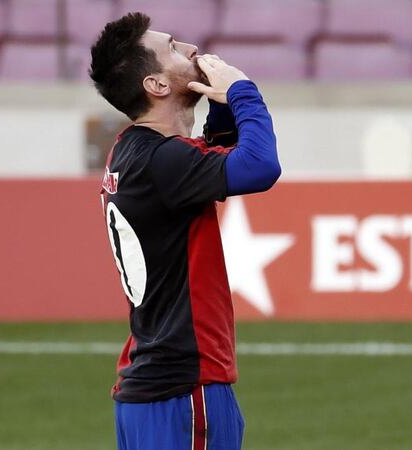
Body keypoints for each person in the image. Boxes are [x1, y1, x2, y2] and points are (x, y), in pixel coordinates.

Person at [89, 12, 280, 450]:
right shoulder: (163, 161)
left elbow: (206, 164)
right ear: (155, 85)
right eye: (173, 47)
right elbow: (260, 166)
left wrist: (222, 109)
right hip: (183, 387)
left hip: (148, 390)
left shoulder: (132, 149)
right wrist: (243, 93)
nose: (192, 49)